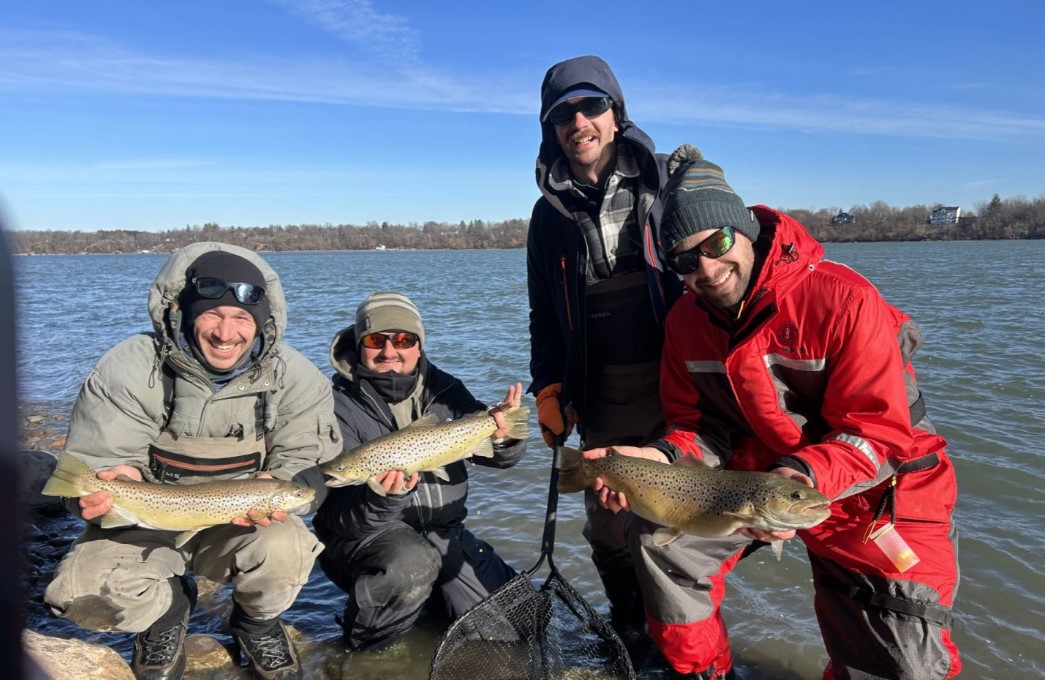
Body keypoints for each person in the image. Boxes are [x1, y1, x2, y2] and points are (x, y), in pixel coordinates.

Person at [584, 145, 961, 679]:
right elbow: (698, 427)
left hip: (882, 489)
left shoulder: (845, 299)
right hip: (759, 485)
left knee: (901, 664)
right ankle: (703, 673)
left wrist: (797, 475)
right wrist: (659, 454)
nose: (708, 270)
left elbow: (876, 431)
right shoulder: (685, 321)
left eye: (716, 244)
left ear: (743, 229)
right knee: (657, 540)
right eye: (685, 262)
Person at [44, 242, 342, 680]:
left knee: (287, 548)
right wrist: (102, 486)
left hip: (235, 524)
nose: (226, 333)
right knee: (77, 596)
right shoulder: (128, 368)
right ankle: (165, 612)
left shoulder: (296, 377)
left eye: (241, 318)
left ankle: (254, 623)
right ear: (183, 314)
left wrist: (285, 484)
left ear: (261, 323)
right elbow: (99, 459)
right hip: (140, 519)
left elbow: (305, 464)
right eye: (212, 315)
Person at [526, 54, 683, 656]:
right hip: (601, 390)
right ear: (551, 130)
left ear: (617, 115)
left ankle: (686, 629)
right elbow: (544, 313)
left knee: (682, 513)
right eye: (563, 114)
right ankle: (631, 620)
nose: (578, 122)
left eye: (591, 106)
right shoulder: (547, 219)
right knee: (608, 520)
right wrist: (548, 388)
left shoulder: (669, 182)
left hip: (678, 380)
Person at [312, 291, 527, 651]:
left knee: (516, 626)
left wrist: (505, 433)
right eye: (375, 340)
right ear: (358, 343)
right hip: (367, 540)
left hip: (443, 532)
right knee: (409, 563)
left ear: (418, 344)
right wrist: (381, 496)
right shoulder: (330, 404)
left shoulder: (446, 389)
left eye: (403, 339)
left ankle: (429, 608)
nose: (389, 351)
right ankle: (365, 650)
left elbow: (499, 458)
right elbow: (339, 519)